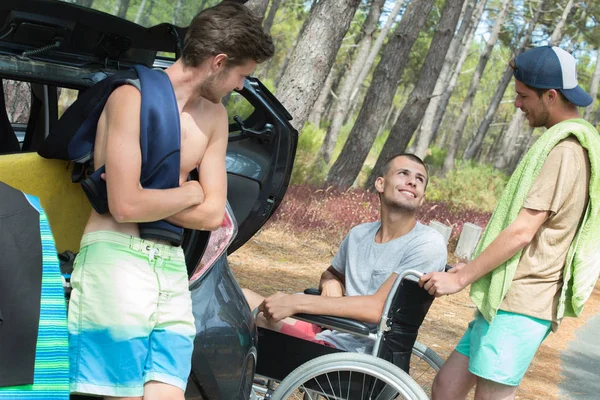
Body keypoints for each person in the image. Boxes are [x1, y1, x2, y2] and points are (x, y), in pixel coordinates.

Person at [67, 3, 274, 400]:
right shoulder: (130, 98)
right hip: (116, 259)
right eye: (242, 75)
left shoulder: (213, 118)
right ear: (219, 62)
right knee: (118, 394)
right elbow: (126, 208)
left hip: (170, 266)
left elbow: (214, 214)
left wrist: (150, 198)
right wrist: (191, 191)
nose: (241, 87)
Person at [420, 45, 600, 400]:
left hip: (522, 304)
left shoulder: (565, 151)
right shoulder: (565, 145)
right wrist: (471, 268)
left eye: (522, 96)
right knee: (447, 387)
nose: (517, 104)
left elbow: (521, 232)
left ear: (551, 96)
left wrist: (461, 279)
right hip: (506, 297)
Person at [244, 153, 447, 354]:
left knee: (247, 317)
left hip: (353, 350)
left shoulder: (427, 244)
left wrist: (295, 302)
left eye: (419, 179)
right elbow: (331, 274)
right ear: (380, 184)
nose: (412, 181)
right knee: (240, 298)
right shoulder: (359, 234)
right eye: (404, 173)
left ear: (422, 198)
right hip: (328, 329)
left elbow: (380, 309)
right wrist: (331, 282)